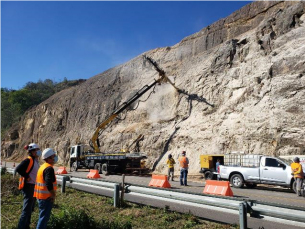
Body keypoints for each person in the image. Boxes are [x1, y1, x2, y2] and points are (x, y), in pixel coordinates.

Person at [15, 143, 41, 229]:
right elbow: (18, 169)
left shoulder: (35, 161)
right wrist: (27, 176)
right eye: (37, 150)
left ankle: (26, 226)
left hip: (33, 187)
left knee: (30, 209)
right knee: (26, 210)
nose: (38, 152)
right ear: (32, 152)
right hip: (28, 187)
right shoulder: (28, 160)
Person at [34, 148, 58, 229]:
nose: (55, 158)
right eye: (53, 156)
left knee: (42, 217)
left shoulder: (42, 167)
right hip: (46, 198)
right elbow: (48, 183)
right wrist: (53, 195)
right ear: (48, 158)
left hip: (40, 197)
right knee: (43, 219)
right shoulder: (49, 168)